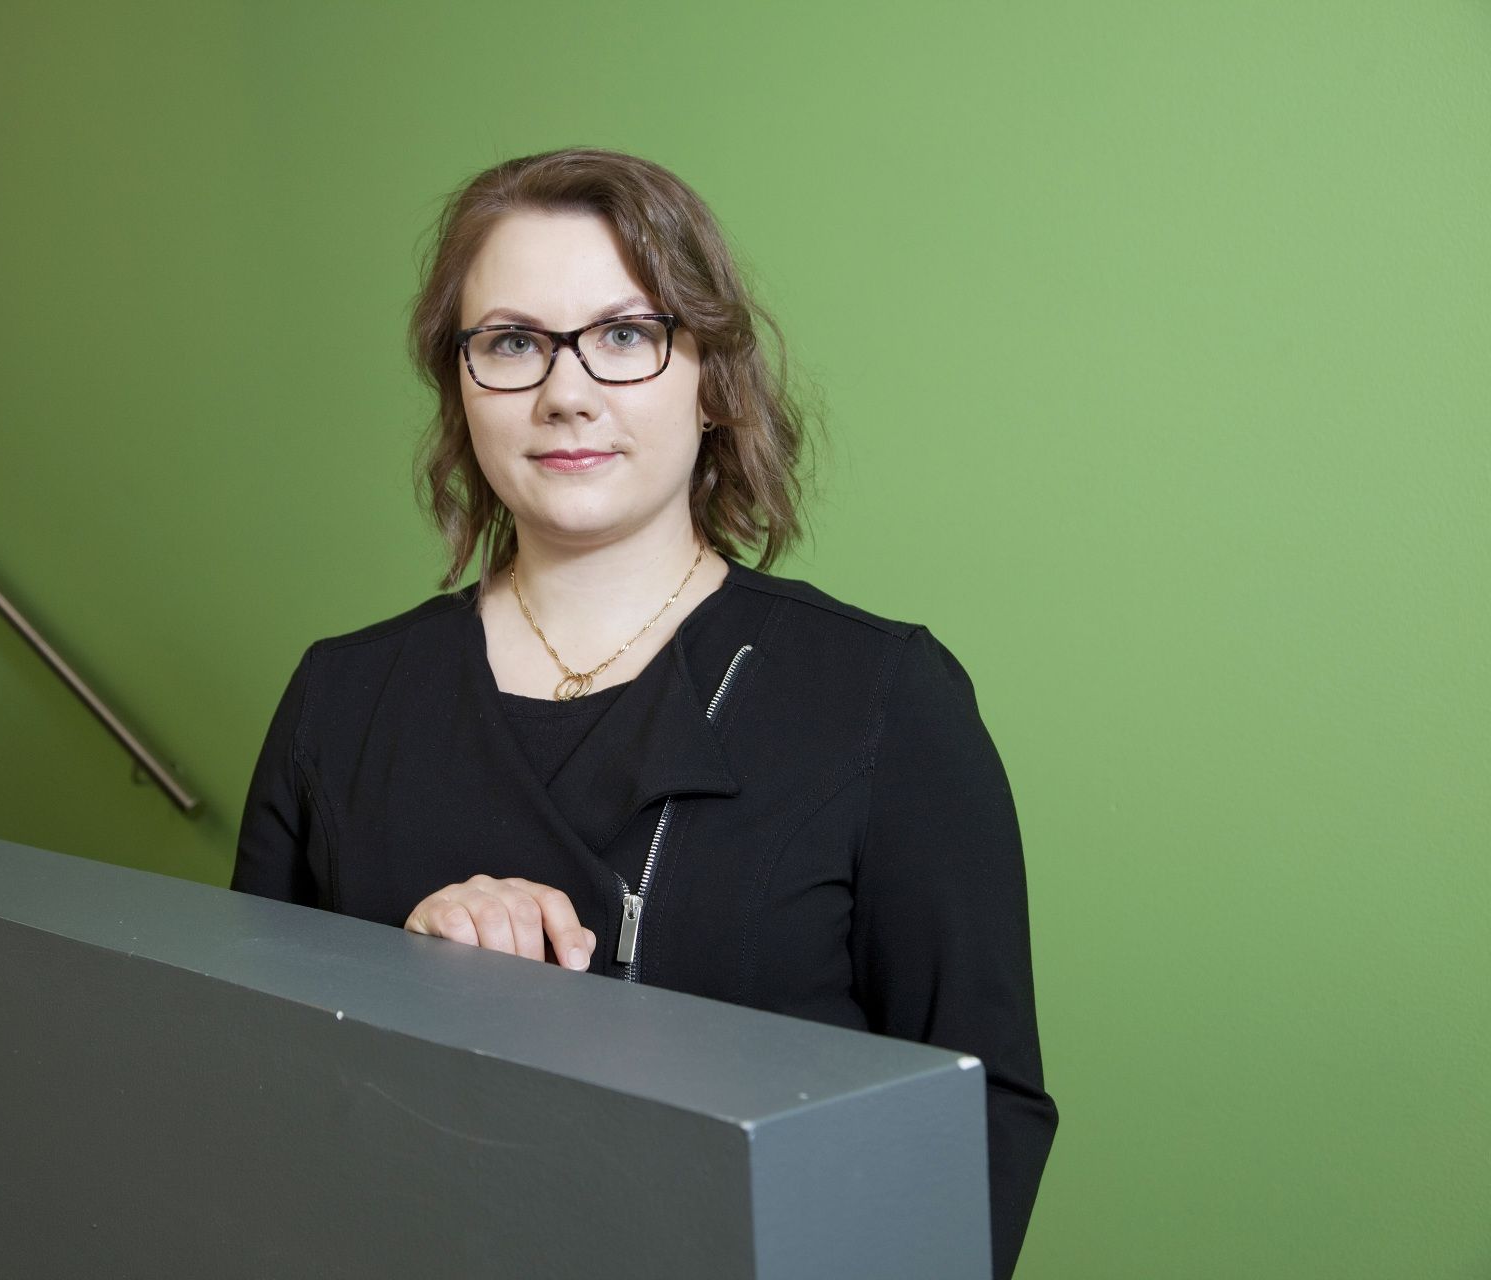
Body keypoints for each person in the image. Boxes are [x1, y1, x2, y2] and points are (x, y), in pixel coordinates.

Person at [232, 147, 1056, 1277]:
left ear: (712, 379)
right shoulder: (341, 699)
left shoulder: (880, 698)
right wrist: (400, 980)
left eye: (625, 335)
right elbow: (250, 1095)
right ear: (459, 384)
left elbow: (978, 1115)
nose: (566, 392)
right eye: (511, 342)